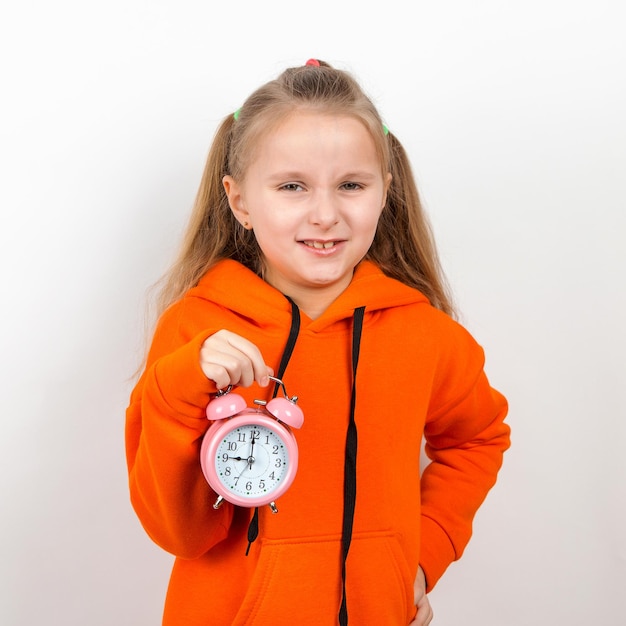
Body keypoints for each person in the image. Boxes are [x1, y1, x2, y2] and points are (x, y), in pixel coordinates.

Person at [125, 58, 510, 626]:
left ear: (385, 192)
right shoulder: (196, 331)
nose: (326, 214)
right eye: (292, 187)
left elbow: (477, 440)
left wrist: (423, 556)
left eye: (351, 185)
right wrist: (180, 386)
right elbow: (176, 531)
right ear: (240, 202)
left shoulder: (424, 333)